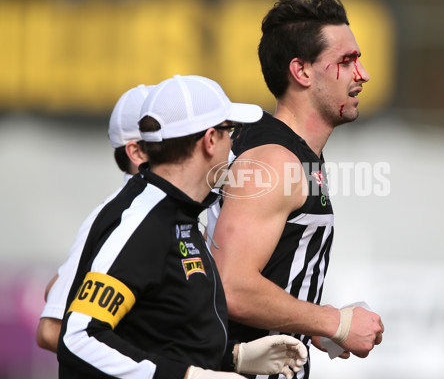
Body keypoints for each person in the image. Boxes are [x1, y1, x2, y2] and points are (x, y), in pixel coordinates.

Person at [57, 75, 308, 379]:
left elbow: (153, 330)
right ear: (210, 140)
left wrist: (232, 356)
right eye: (232, 131)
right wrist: (187, 377)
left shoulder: (177, 213)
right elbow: (79, 339)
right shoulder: (142, 221)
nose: (235, 144)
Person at [208, 0, 384, 379]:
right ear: (301, 72)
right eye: (346, 61)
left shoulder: (289, 152)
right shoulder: (275, 161)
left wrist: (313, 328)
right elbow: (232, 286)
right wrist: (332, 322)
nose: (363, 74)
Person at [36, 83, 154, 353]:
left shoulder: (158, 213)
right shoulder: (119, 216)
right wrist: (160, 368)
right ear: (137, 153)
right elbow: (51, 329)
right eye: (173, 141)